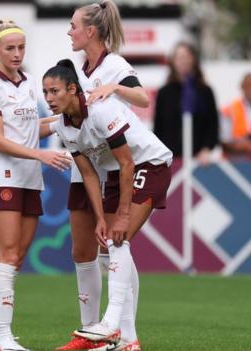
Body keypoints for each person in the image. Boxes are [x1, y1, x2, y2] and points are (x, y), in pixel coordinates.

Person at [42, 59, 172, 351]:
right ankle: (128, 341)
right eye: (45, 92)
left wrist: (123, 215)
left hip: (149, 165)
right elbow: (88, 174)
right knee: (113, 241)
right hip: (114, 176)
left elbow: (127, 163)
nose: (49, 99)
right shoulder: (64, 127)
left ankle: (112, 324)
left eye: (54, 91)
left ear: (73, 89)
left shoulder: (101, 111)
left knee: (118, 239)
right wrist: (100, 217)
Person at [56, 1, 150, 350]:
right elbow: (73, 112)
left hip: (110, 170)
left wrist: (116, 88)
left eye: (73, 25)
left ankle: (126, 335)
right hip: (85, 168)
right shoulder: (80, 69)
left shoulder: (114, 65)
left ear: (90, 31)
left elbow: (140, 97)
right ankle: (90, 332)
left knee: (115, 248)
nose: (69, 31)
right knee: (82, 250)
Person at [0, 19, 72, 351]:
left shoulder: (31, 82)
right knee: (7, 255)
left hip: (30, 179)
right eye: (10, 48)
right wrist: (42, 156)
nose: (17, 54)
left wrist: (67, 119)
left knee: (17, 258)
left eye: (21, 48)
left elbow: (35, 128)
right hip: (3, 177)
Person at [153, 42, 220, 165]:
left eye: (186, 57)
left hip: (199, 160)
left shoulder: (205, 91)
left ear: (193, 60)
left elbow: (213, 125)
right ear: (173, 62)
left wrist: (206, 149)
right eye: (179, 57)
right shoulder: (164, 93)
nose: (183, 61)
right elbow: (158, 128)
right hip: (171, 160)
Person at [221, 72, 251, 157]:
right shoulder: (230, 108)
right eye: (248, 86)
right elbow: (224, 139)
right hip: (237, 159)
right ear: (242, 87)